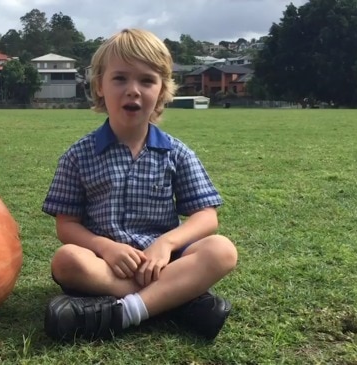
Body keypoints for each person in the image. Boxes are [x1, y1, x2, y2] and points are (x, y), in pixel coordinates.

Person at [41, 28, 238, 341]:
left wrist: (166, 244)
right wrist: (105, 247)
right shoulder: (78, 155)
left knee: (222, 250)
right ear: (100, 86)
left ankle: (124, 312)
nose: (133, 90)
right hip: (106, 266)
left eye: (146, 80)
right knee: (67, 260)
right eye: (120, 78)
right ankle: (178, 300)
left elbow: (207, 216)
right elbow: (67, 225)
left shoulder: (176, 152)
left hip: (162, 264)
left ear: (161, 90)